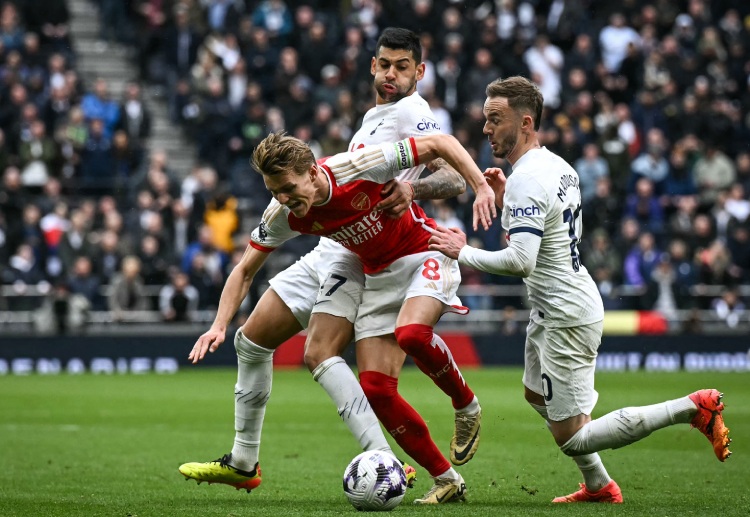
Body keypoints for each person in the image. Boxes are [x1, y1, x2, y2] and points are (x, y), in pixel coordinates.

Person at [179, 26, 491, 505]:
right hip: (339, 245)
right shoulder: (365, 128)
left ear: (419, 72)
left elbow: (445, 166)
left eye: (402, 66)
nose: (391, 74)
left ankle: (393, 456)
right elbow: (243, 268)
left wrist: (428, 188)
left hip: (386, 251)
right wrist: (218, 323)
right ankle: (244, 462)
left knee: (328, 356)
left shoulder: (407, 116)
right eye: (384, 64)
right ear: (371, 65)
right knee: (251, 340)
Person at [428, 76, 731, 503]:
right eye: (485, 119)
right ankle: (598, 487)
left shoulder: (528, 181)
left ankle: (691, 408)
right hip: (558, 303)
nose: (485, 129)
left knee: (573, 437)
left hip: (566, 313)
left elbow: (520, 262)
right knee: (535, 394)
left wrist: (463, 251)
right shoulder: (558, 167)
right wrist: (505, 199)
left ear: (526, 121)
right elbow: (542, 241)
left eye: (495, 119)